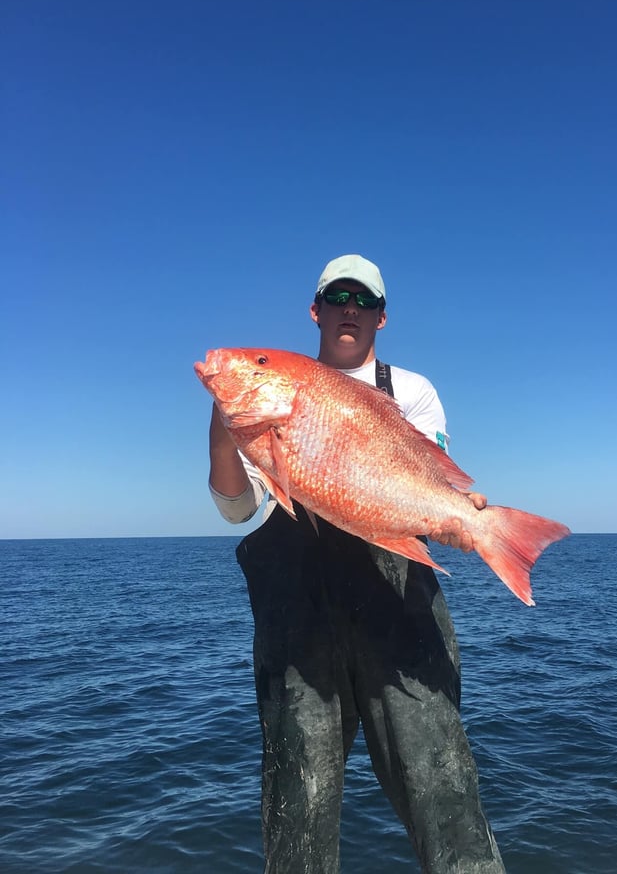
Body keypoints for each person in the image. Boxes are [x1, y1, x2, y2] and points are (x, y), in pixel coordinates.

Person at [207, 254, 506, 873]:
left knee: (443, 793)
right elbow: (238, 510)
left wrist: (453, 516)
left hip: (401, 627)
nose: (351, 308)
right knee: (298, 813)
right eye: (338, 296)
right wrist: (225, 425)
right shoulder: (277, 397)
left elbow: (419, 487)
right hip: (299, 637)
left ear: (381, 317)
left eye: (364, 300)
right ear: (315, 309)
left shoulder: (412, 391)